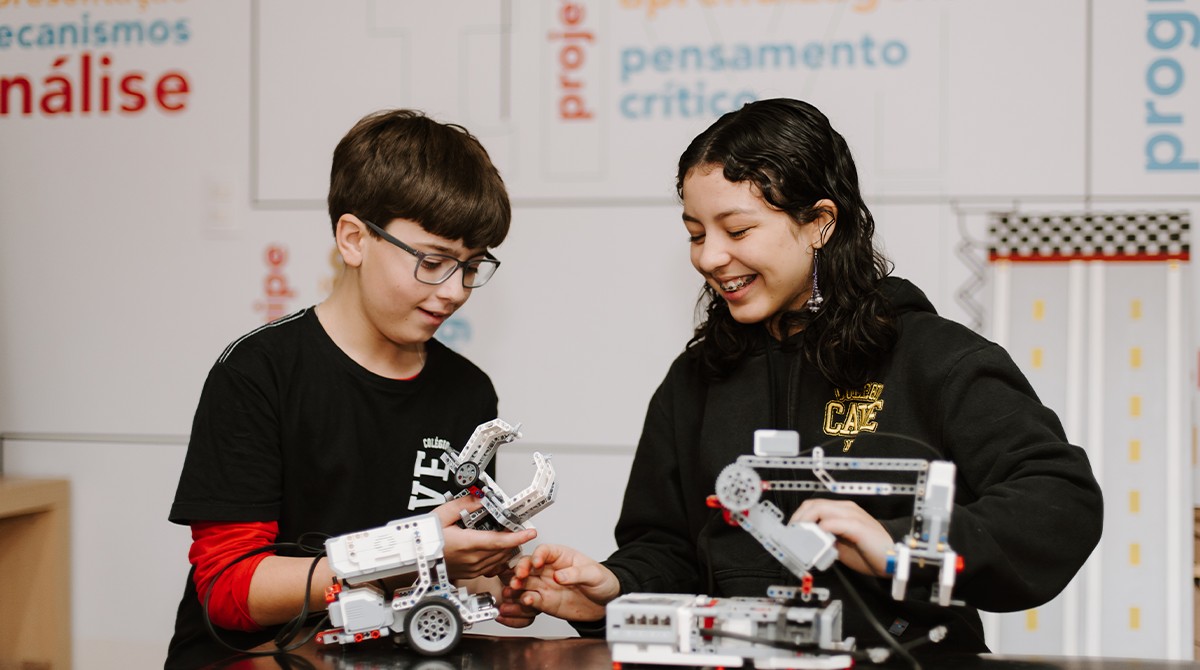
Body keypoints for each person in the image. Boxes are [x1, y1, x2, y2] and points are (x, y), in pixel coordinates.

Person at [508, 98, 1104, 655]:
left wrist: (900, 550)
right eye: (695, 233)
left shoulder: (934, 357)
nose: (709, 257)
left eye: (737, 231)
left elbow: (1059, 502)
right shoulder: (694, 380)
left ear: (820, 221)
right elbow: (666, 549)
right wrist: (612, 588)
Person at [165, 109, 537, 669]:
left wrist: (501, 585)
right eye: (434, 261)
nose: (456, 290)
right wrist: (401, 554)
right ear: (354, 239)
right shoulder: (260, 373)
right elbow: (227, 591)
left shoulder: (468, 392)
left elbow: (458, 570)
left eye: (472, 265)